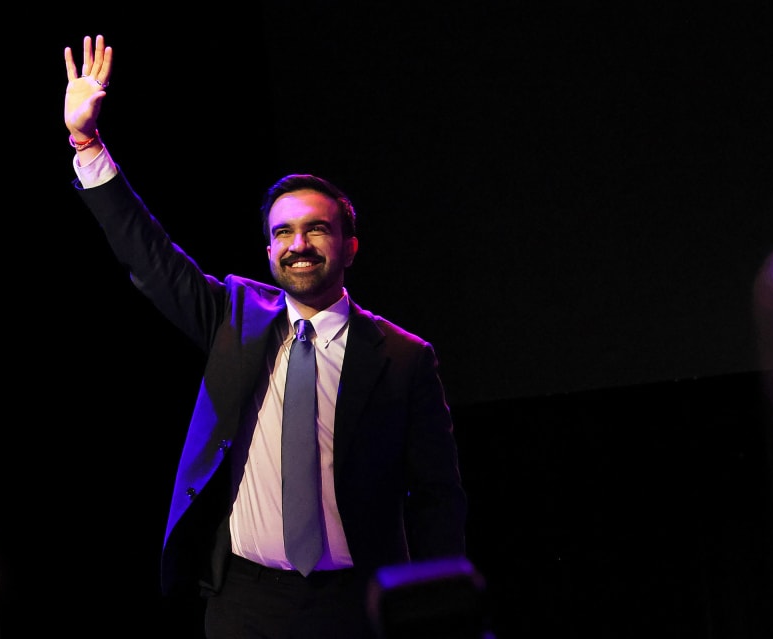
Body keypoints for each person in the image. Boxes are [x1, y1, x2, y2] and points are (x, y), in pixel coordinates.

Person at [63, 35, 469, 639]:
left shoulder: (404, 358)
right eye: (283, 233)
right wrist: (87, 142)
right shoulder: (235, 314)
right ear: (269, 249)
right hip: (246, 601)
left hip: (357, 606)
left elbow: (438, 497)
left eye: (316, 230)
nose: (298, 245)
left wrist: (439, 614)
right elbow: (150, 259)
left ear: (349, 245)